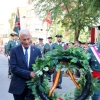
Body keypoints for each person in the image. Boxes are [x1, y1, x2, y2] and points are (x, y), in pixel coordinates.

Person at [8, 29, 42, 100]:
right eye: (24, 40)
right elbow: (13, 68)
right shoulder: (14, 50)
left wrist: (50, 70)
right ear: (20, 39)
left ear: (31, 38)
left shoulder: (37, 51)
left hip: (32, 86)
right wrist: (29, 73)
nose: (26, 42)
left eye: (28, 39)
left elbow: (41, 67)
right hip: (18, 86)